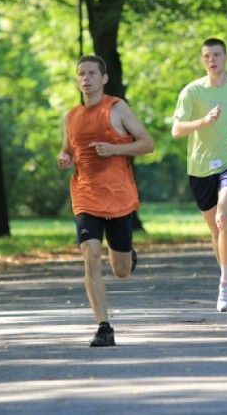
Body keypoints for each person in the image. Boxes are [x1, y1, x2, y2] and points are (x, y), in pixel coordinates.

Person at [58, 55, 154, 347]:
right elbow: (68, 150)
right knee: (90, 258)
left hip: (118, 197)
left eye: (91, 73)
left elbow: (148, 144)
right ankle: (104, 326)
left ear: (104, 79)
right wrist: (64, 157)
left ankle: (127, 254)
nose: (85, 79)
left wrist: (114, 149)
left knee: (121, 271)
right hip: (85, 196)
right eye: (80, 74)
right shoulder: (71, 115)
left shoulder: (117, 108)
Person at [171, 38, 227, 319]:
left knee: (223, 217)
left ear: (226, 57)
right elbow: (176, 129)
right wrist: (203, 122)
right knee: (215, 230)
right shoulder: (192, 91)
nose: (212, 60)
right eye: (207, 56)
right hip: (199, 168)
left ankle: (224, 284)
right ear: (202, 61)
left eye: (217, 54)